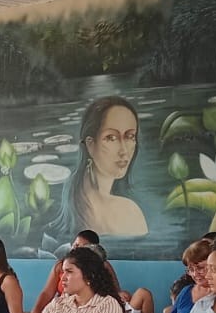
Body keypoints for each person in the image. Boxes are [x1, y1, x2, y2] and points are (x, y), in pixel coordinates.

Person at [52, 95, 147, 239]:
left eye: (130, 136)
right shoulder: (129, 213)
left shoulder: (74, 193)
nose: (124, 150)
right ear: (90, 145)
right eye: (111, 138)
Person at [24, 229, 119, 313]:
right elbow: (47, 293)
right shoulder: (60, 268)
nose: (75, 249)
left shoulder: (102, 269)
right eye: (75, 245)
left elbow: (114, 291)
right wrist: (35, 312)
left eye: (70, 271)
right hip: (64, 311)